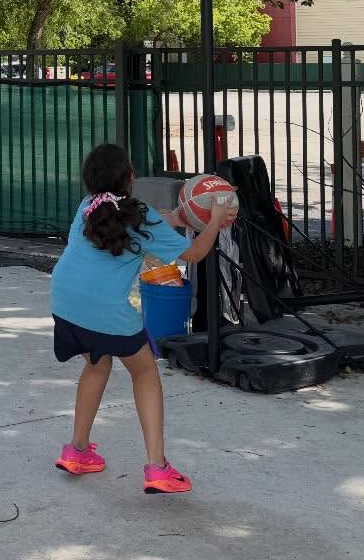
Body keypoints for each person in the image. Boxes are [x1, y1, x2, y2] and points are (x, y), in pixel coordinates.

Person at [49, 143, 234, 494]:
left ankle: (77, 451)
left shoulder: (88, 207)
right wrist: (214, 221)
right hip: (105, 310)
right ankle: (158, 467)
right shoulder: (140, 215)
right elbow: (194, 252)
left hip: (65, 301)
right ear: (129, 178)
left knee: (97, 364)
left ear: (89, 179)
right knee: (145, 370)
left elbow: (136, 221)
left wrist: (177, 218)